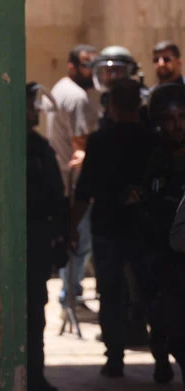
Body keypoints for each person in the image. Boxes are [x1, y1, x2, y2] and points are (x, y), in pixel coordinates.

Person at [69, 78, 155, 377]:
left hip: (108, 228)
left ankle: (115, 358)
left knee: (111, 294)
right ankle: (161, 359)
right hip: (146, 230)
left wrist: (71, 227)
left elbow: (84, 192)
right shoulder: (152, 139)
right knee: (150, 292)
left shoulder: (100, 141)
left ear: (113, 106)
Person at [44, 44, 100, 318]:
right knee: (81, 240)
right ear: (72, 66)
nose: (92, 71)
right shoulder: (77, 97)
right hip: (75, 180)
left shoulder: (59, 88)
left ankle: (69, 296)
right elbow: (81, 146)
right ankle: (70, 298)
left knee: (72, 236)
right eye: (87, 65)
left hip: (60, 177)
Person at [139, 83, 185, 384]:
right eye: (170, 118)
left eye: (183, 116)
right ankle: (161, 357)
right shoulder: (148, 154)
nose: (178, 125)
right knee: (163, 318)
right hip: (159, 254)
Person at [26, 82, 67, 391]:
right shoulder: (19, 147)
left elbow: (57, 196)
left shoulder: (40, 148)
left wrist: (61, 238)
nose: (35, 110)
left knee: (35, 312)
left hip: (37, 241)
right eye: (29, 105)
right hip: (21, 240)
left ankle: (35, 375)